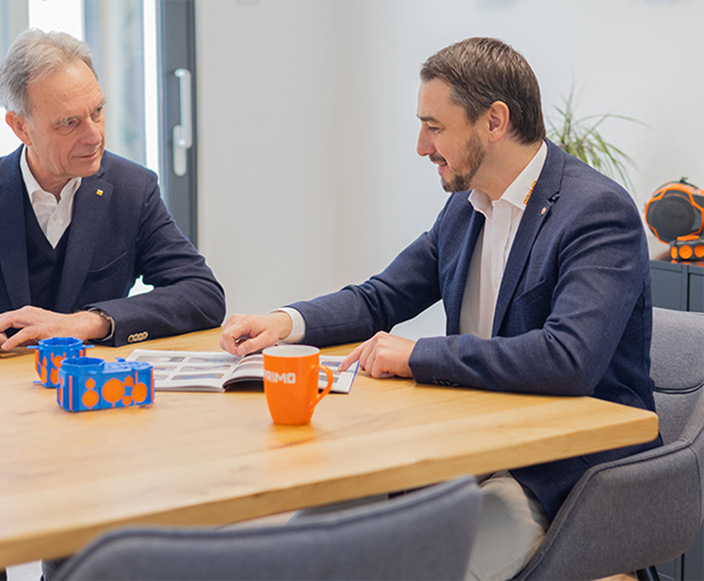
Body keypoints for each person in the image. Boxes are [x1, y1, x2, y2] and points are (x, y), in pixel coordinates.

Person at [220, 37, 661, 580]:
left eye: (435, 126)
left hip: (560, 474)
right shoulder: (464, 207)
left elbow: (568, 359)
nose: (421, 145)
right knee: (306, 542)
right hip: (467, 450)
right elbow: (381, 296)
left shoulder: (595, 213)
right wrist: (284, 322)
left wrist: (417, 355)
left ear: (494, 121)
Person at [0, 29, 224, 361]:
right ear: (20, 127)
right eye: (69, 123)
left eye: (97, 112)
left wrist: (86, 322)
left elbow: (203, 295)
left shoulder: (133, 190)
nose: (94, 137)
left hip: (93, 402)